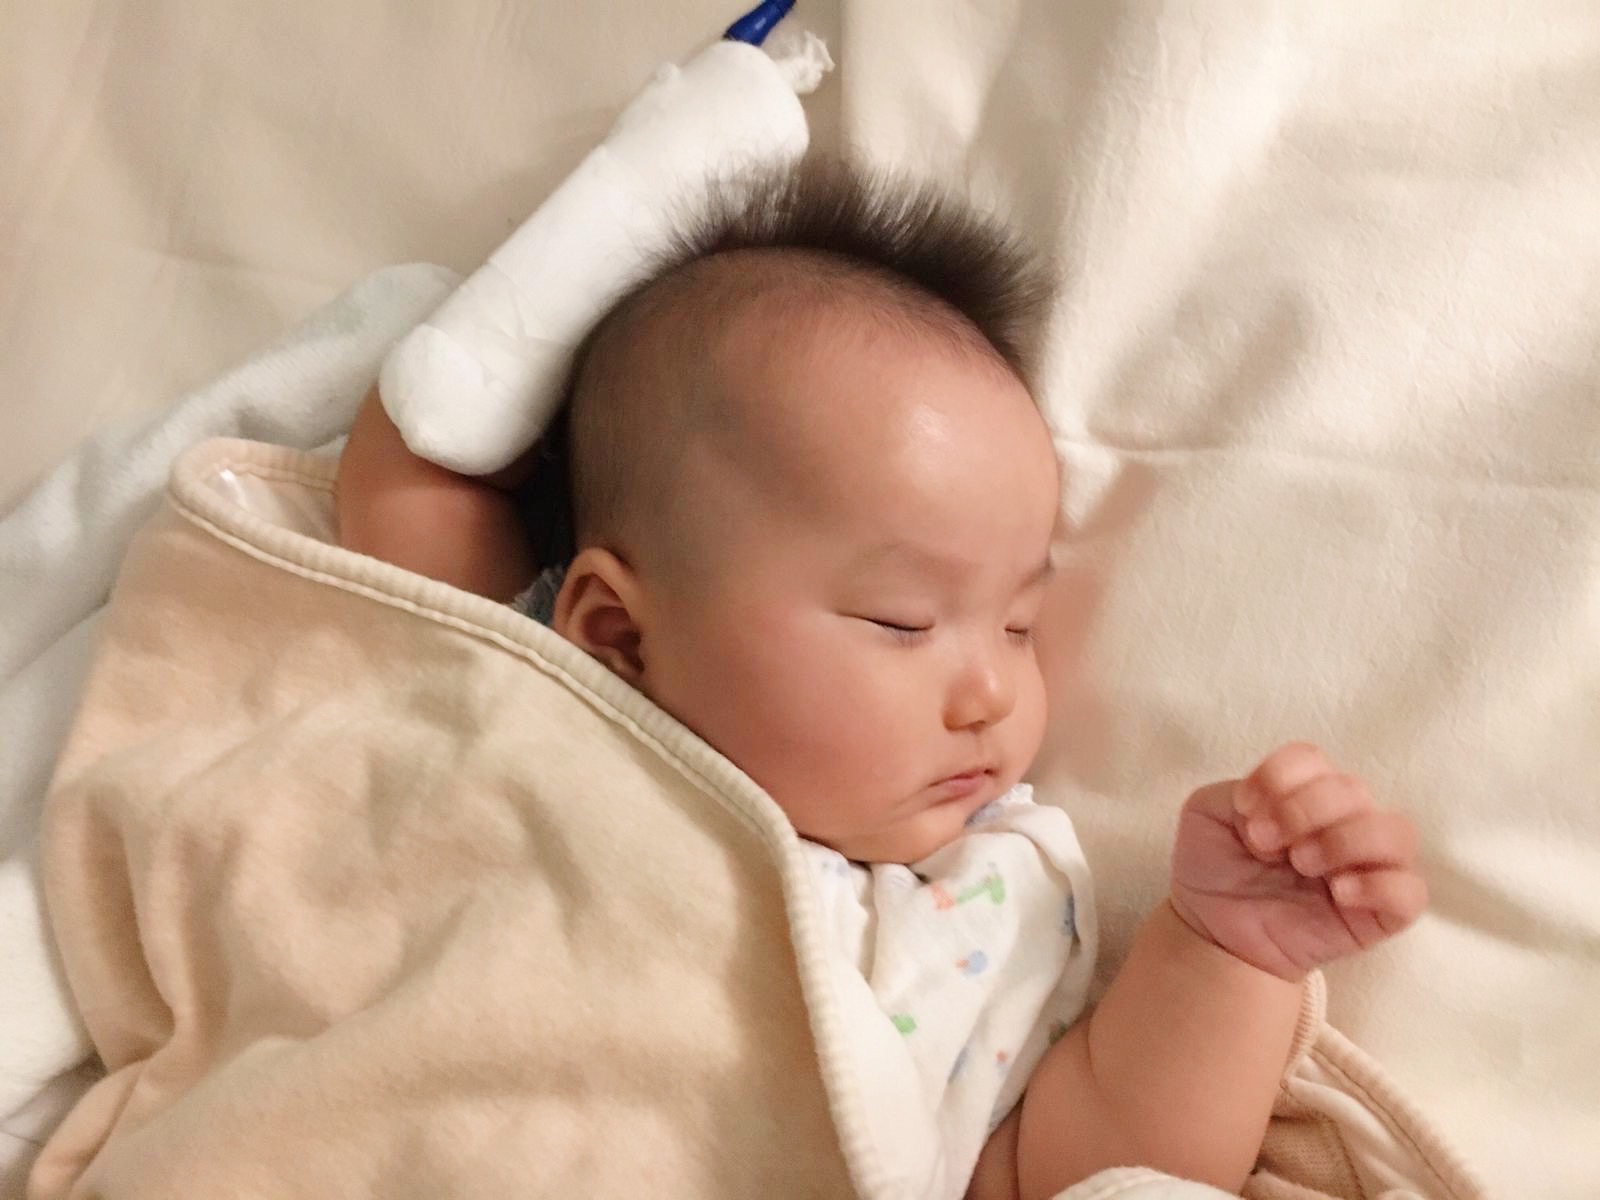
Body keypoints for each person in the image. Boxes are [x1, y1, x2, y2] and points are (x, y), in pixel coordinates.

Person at [335, 160, 1426, 1198]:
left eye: (1018, 624)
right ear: (620, 633)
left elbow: (1065, 1176)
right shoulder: (532, 693)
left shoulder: (970, 908)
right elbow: (420, 454)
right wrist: (652, 167)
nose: (991, 695)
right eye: (902, 622)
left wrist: (1226, 956)